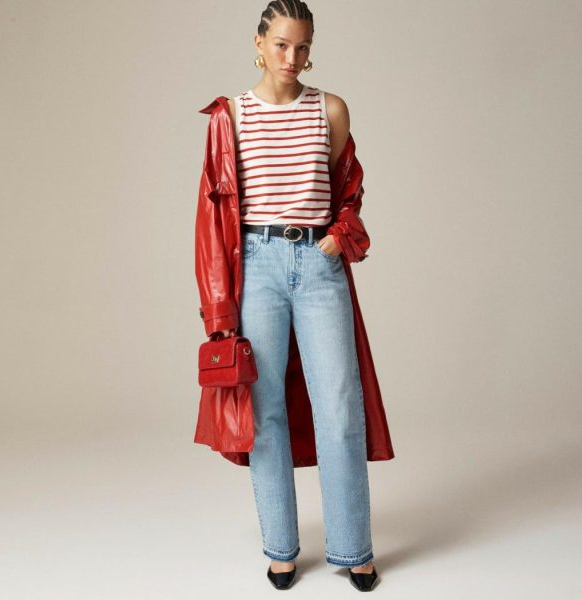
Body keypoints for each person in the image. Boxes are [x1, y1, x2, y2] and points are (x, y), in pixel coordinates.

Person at [198, 0, 381, 591]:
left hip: (318, 263)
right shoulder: (231, 116)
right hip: (256, 266)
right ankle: (280, 549)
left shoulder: (330, 109)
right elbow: (213, 217)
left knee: (340, 409)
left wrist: (336, 236)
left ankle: (353, 548)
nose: (292, 57)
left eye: (302, 47)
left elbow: (346, 189)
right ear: (258, 43)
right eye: (281, 44)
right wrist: (219, 305)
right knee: (266, 410)